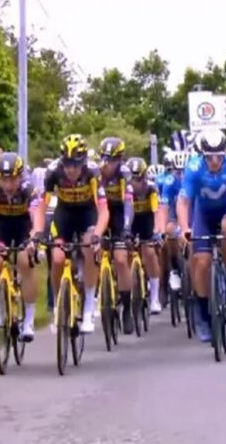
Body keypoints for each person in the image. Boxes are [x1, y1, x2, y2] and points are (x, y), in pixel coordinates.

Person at [177, 129, 226, 343]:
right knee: (201, 261)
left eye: (220, 156)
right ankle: (203, 313)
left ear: (225, 154)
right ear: (203, 155)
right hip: (203, 215)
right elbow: (183, 201)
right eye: (210, 157)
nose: (215, 161)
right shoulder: (193, 168)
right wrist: (184, 228)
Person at [36, 134, 109, 333]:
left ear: (83, 162)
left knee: (88, 249)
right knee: (58, 258)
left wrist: (98, 234)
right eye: (67, 165)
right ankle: (59, 305)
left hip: (87, 213)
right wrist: (39, 232)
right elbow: (42, 206)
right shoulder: (53, 172)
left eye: (75, 165)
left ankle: (88, 309)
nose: (71, 170)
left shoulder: (93, 172)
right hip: (64, 214)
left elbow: (103, 209)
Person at [0, 152, 42, 341]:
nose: (9, 185)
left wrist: (34, 237)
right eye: (4, 180)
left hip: (22, 225)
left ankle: (28, 318)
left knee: (24, 262)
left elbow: (36, 217)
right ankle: (0, 302)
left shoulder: (29, 189)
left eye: (13, 179)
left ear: (21, 176)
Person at [97, 137, 135, 333]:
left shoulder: (124, 174)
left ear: (120, 160)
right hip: (101, 212)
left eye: (112, 160)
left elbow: (129, 203)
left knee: (120, 260)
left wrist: (127, 229)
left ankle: (127, 309)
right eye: (104, 159)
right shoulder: (95, 173)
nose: (108, 164)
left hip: (120, 214)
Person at [127, 157, 164, 314]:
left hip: (146, 219)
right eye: (132, 179)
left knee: (149, 252)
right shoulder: (124, 188)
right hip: (130, 220)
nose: (135, 183)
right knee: (125, 252)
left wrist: (157, 231)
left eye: (139, 178)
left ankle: (155, 297)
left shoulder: (151, 188)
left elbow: (157, 211)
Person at [157, 150, 190, 295]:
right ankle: (175, 270)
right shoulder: (170, 181)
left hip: (194, 216)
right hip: (175, 216)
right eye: (178, 171)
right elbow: (164, 207)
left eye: (185, 171)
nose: (182, 175)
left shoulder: (196, 179)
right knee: (170, 231)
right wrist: (162, 230)